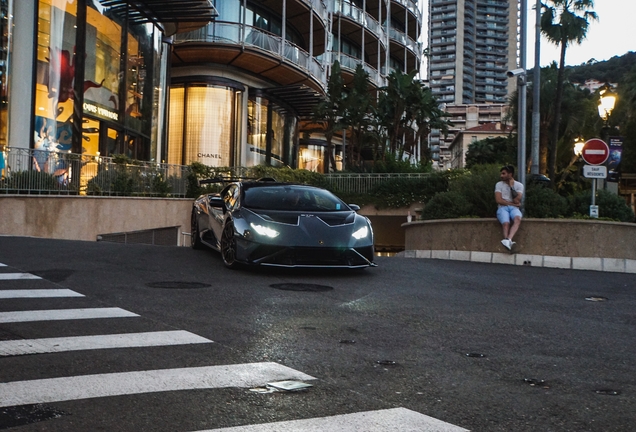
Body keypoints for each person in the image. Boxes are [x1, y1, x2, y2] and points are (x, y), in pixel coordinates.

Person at [495, 165, 524, 250]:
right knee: (506, 223)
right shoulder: (499, 185)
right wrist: (514, 204)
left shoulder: (519, 185)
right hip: (502, 207)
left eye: (504, 174)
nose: (501, 176)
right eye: (501, 173)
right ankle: (508, 241)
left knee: (517, 219)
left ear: (510, 174)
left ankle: (508, 240)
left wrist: (511, 187)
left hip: (513, 209)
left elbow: (516, 200)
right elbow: (498, 200)